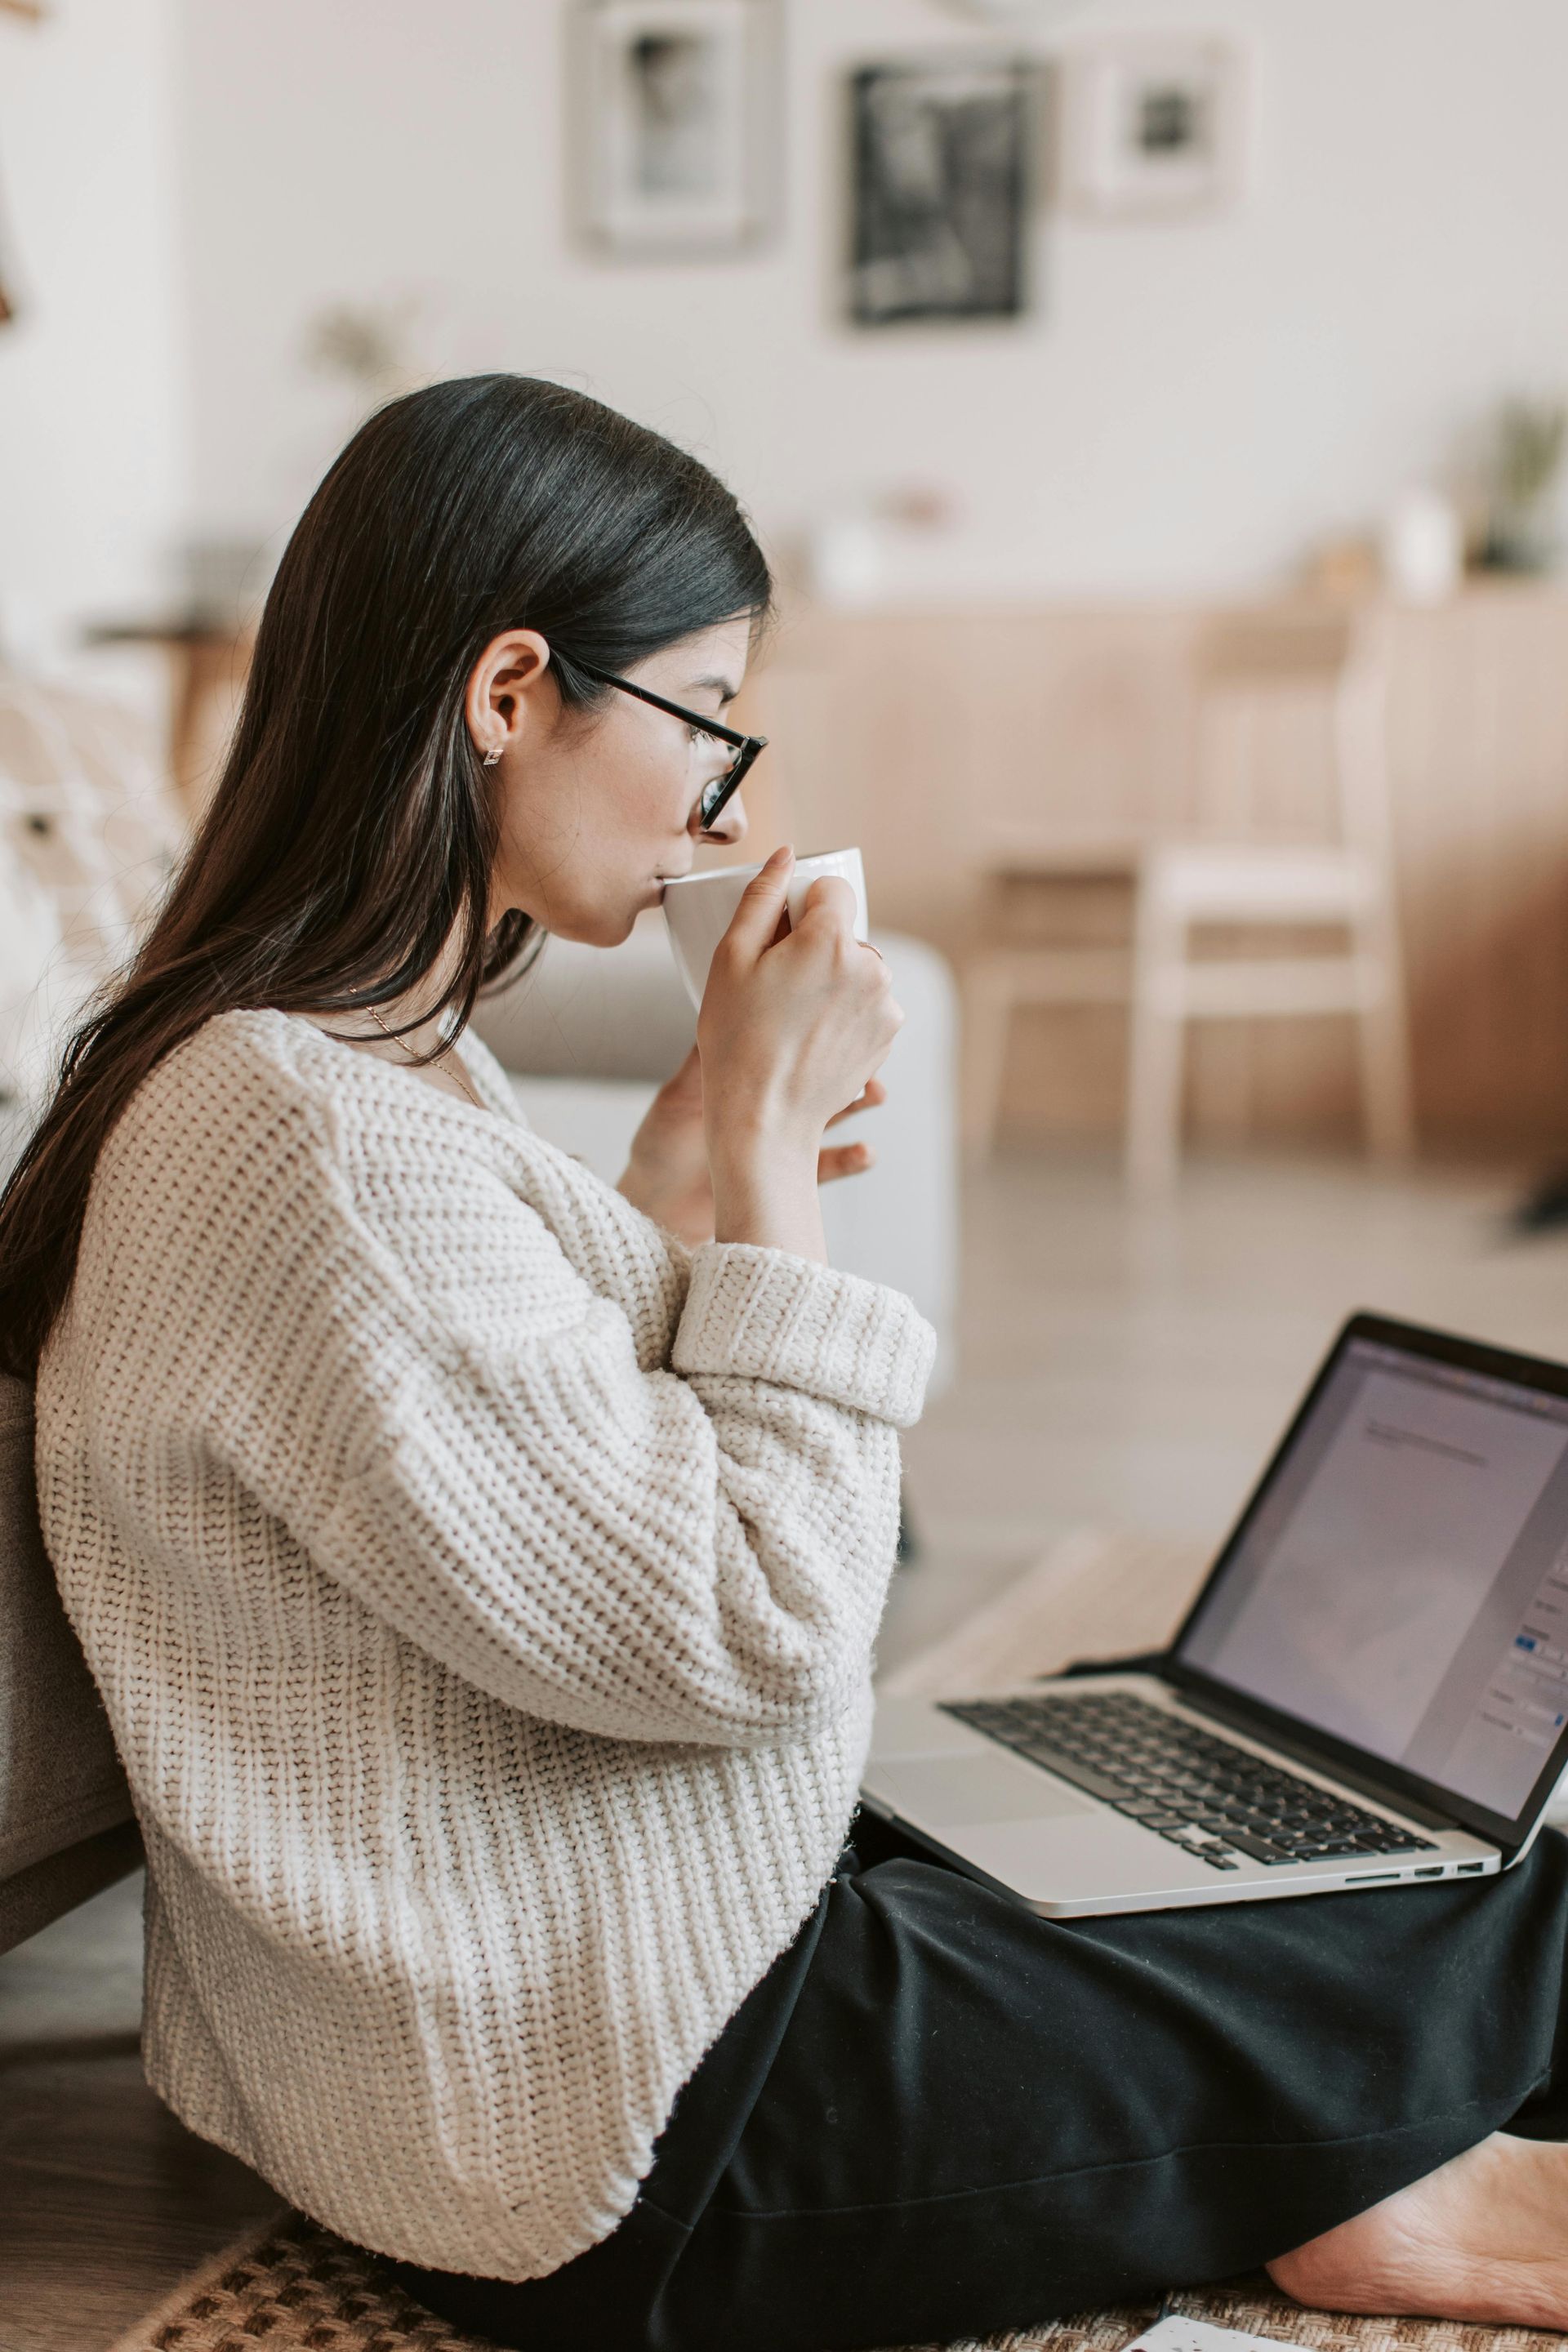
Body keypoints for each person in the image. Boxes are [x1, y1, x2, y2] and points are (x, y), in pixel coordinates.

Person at [4, 375, 1568, 2352]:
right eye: (706, 717)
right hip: (633, 2129)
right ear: (509, 694)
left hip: (553, 2009)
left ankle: (1342, 2157)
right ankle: (1381, 2180)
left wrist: (670, 1166)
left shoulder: (307, 1064)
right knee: (1503, 1911)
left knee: (1189, 1837)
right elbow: (756, 1625)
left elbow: (527, 1480)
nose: (727, 799)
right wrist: (764, 1166)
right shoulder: (305, 1131)